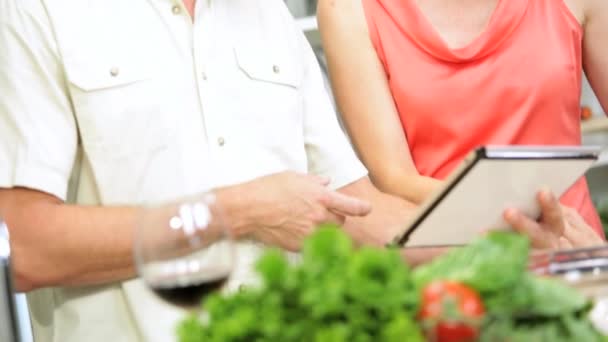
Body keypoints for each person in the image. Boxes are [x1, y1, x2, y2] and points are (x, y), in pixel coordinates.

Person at [0, 1, 597, 341]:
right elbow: (22, 246)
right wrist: (234, 213)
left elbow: (355, 207)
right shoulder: (38, 12)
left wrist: (497, 234)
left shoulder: (266, 17)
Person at [317, 0, 608, 238]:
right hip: (456, 261)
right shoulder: (347, 8)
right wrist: (520, 213)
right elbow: (394, 177)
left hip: (572, 249)